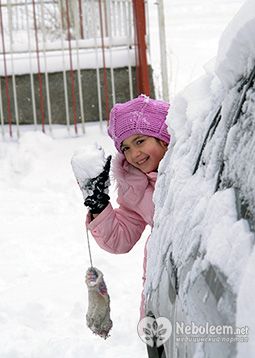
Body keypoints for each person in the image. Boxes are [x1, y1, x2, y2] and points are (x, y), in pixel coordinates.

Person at [74, 94, 170, 358]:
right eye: (125, 147)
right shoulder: (136, 185)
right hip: (162, 295)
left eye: (140, 141)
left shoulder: (193, 171)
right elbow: (121, 238)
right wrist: (99, 205)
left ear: (164, 135)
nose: (134, 154)